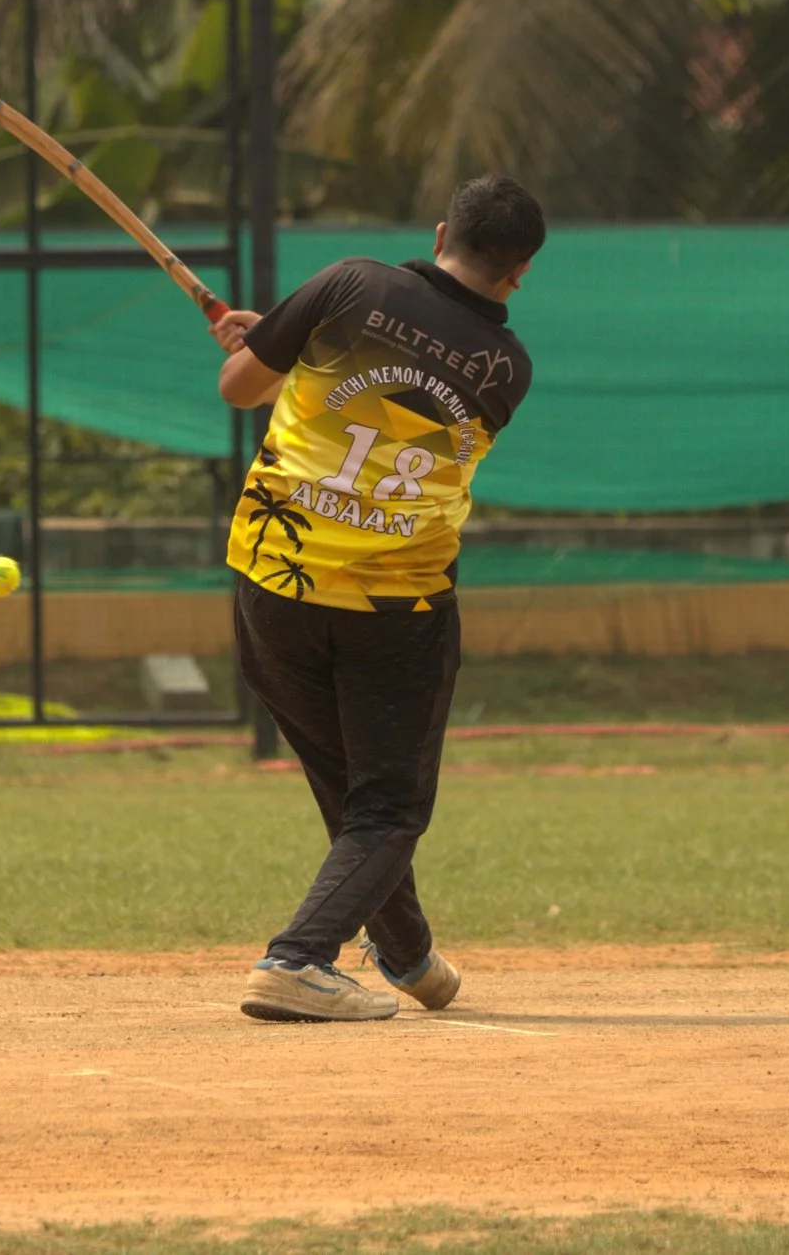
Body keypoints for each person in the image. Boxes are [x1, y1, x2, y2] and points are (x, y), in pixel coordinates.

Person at [208, 175, 545, 1022]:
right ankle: (296, 958)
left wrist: (263, 344)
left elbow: (241, 390)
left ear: (440, 232)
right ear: (521, 273)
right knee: (387, 804)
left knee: (353, 791)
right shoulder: (509, 368)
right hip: (397, 609)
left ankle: (411, 957)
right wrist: (288, 351)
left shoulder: (349, 282)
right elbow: (400, 423)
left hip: (275, 581)